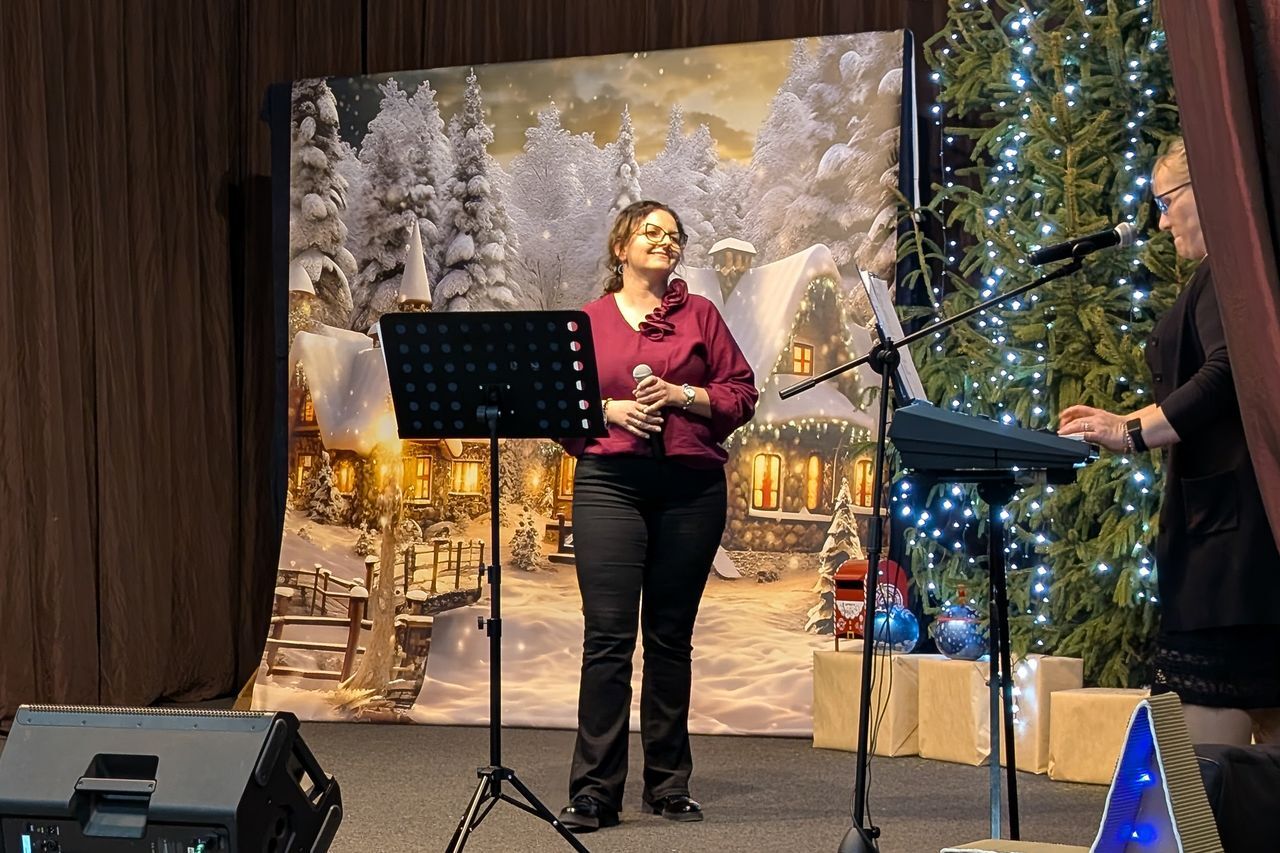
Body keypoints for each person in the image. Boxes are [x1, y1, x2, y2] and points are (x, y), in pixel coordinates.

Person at [1057, 137, 1280, 745]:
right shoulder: (1242, 268)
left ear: (1205, 191)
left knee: (1197, 770)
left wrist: (1129, 431)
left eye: (1165, 201)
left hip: (1228, 555)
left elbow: (1227, 375)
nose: (1160, 222)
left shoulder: (1227, 272)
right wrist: (1126, 418)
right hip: (1246, 538)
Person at [555, 200, 757, 832]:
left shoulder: (701, 316)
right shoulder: (587, 321)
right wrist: (609, 411)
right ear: (621, 247)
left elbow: (741, 393)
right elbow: (560, 405)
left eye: (674, 236)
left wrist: (682, 395)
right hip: (610, 485)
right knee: (608, 639)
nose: (665, 241)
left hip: (691, 490)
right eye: (651, 232)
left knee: (670, 639)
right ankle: (595, 792)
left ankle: (668, 785)